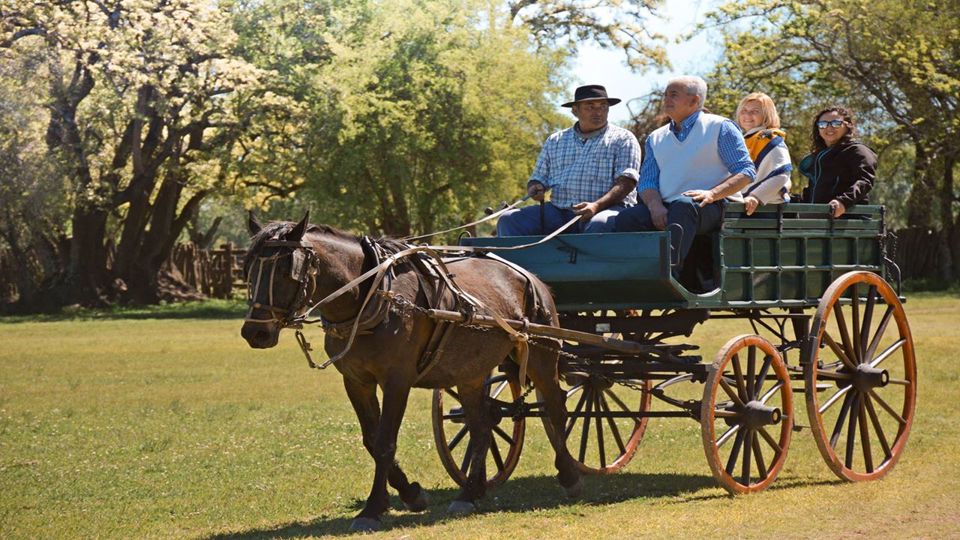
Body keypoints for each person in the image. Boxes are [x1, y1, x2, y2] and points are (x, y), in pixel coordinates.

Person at [615, 76, 756, 274]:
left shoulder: (720, 127)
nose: (666, 100)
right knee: (627, 218)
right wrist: (655, 206)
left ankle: (668, 275)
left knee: (683, 206)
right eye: (665, 95)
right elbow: (647, 181)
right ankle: (631, 275)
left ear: (694, 101)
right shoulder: (656, 137)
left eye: (673, 95)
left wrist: (712, 194)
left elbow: (746, 171)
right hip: (669, 206)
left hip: (714, 205)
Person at [497, 84, 641, 236]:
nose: (598, 112)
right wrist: (535, 187)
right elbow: (538, 178)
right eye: (590, 107)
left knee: (599, 224)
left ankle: (590, 260)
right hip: (559, 211)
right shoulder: (555, 140)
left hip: (608, 209)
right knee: (508, 219)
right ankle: (516, 260)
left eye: (603, 106)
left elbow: (627, 182)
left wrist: (596, 206)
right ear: (575, 110)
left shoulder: (623, 139)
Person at [798, 106, 877, 218]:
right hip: (817, 220)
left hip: (848, 222)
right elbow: (812, 191)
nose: (829, 128)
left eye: (835, 123)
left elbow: (864, 181)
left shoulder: (857, 150)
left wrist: (843, 202)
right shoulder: (820, 157)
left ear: (847, 125)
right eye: (823, 124)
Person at [735, 92, 792, 215]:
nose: (747, 115)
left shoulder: (770, 138)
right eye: (744, 110)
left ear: (766, 115)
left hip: (765, 209)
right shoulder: (743, 139)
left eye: (755, 111)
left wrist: (755, 196)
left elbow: (781, 174)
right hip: (742, 205)